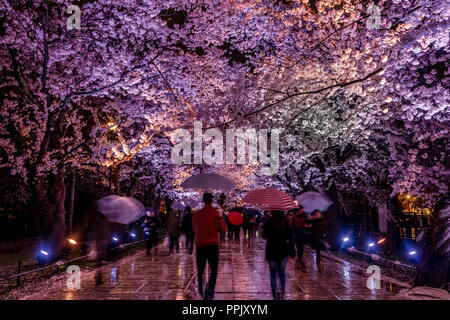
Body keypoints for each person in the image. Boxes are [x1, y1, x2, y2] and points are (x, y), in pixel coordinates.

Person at [192, 193, 224, 300]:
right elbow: (221, 228)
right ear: (212, 200)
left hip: (200, 244)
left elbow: (194, 226)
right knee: (214, 268)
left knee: (200, 269)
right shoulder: (215, 214)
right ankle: (210, 287)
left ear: (203, 200)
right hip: (212, 244)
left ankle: (200, 289)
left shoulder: (197, 214)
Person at [262, 210, 295, 300]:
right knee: (282, 272)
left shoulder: (269, 222)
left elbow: (264, 236)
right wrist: (292, 252)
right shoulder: (286, 222)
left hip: (271, 251)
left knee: (273, 274)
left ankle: (274, 295)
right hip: (284, 251)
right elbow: (291, 238)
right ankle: (282, 292)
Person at [291, 206, 309, 272]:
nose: (303, 211)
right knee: (299, 250)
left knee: (300, 250)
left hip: (303, 235)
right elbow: (292, 228)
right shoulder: (294, 218)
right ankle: (301, 264)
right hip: (297, 236)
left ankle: (298, 262)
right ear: (299, 210)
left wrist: (307, 226)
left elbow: (307, 225)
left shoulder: (305, 217)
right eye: (302, 210)